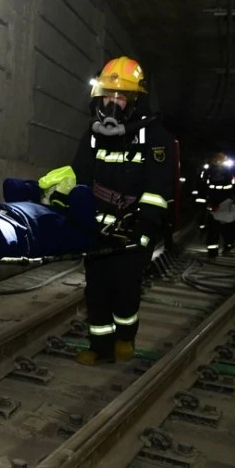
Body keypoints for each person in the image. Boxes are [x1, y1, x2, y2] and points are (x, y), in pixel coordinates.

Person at [44, 57, 175, 366]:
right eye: (107, 95)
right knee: (97, 287)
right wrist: (68, 209)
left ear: (134, 100)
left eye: (120, 96)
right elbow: (80, 177)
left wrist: (145, 228)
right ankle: (101, 347)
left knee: (125, 287)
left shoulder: (156, 139)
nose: (112, 102)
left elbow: (159, 190)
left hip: (134, 227)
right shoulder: (92, 135)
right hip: (98, 228)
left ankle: (126, 337)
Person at [199, 153, 235, 258]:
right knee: (223, 228)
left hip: (221, 203)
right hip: (221, 203)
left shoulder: (210, 171)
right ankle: (221, 249)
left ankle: (216, 251)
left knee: (218, 229)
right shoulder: (213, 171)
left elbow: (202, 186)